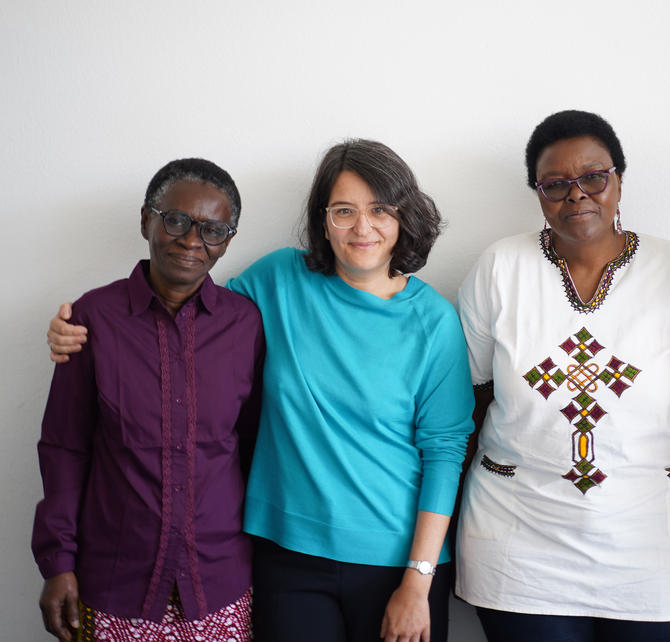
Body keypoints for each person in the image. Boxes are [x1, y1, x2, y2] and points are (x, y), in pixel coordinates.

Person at [48, 139, 474, 642]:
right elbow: (186, 317)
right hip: (286, 559)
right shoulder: (278, 280)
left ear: (404, 217)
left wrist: (418, 580)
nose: (363, 228)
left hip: (399, 562)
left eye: (380, 209)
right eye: (344, 211)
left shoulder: (434, 321)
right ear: (322, 220)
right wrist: (79, 327)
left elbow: (445, 452)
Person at [455, 110, 670, 642]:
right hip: (523, 541)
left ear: (619, 180)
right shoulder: (500, 268)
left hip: (660, 547)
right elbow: (472, 396)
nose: (576, 196)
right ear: (537, 193)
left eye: (594, 178)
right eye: (555, 184)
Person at [33, 158, 264, 642]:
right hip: (115, 580)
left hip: (218, 581)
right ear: (146, 220)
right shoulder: (92, 318)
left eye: (213, 229)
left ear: (228, 241)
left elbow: (250, 445)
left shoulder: (246, 325)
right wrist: (58, 561)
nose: (191, 240)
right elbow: (64, 448)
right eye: (176, 220)